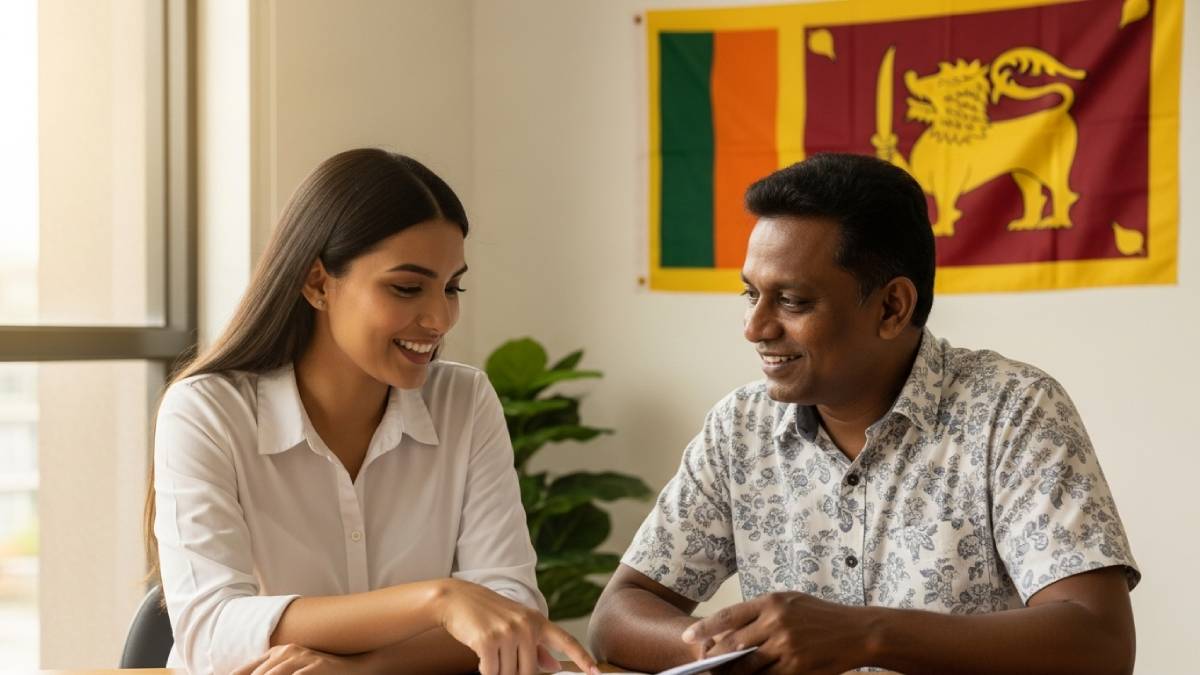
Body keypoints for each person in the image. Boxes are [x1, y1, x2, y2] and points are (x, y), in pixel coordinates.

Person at [589, 153, 1139, 674]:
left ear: (892, 307)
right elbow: (619, 614)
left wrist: (866, 634)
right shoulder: (740, 427)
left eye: (793, 301)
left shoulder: (1012, 410)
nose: (755, 328)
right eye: (750, 294)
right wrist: (742, 651)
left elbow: (1100, 641)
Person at [147, 148, 599, 675]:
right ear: (318, 283)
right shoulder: (206, 412)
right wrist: (438, 601)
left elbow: (512, 616)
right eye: (407, 288)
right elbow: (211, 631)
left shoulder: (465, 402)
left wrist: (364, 670)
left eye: (452, 287)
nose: (439, 318)